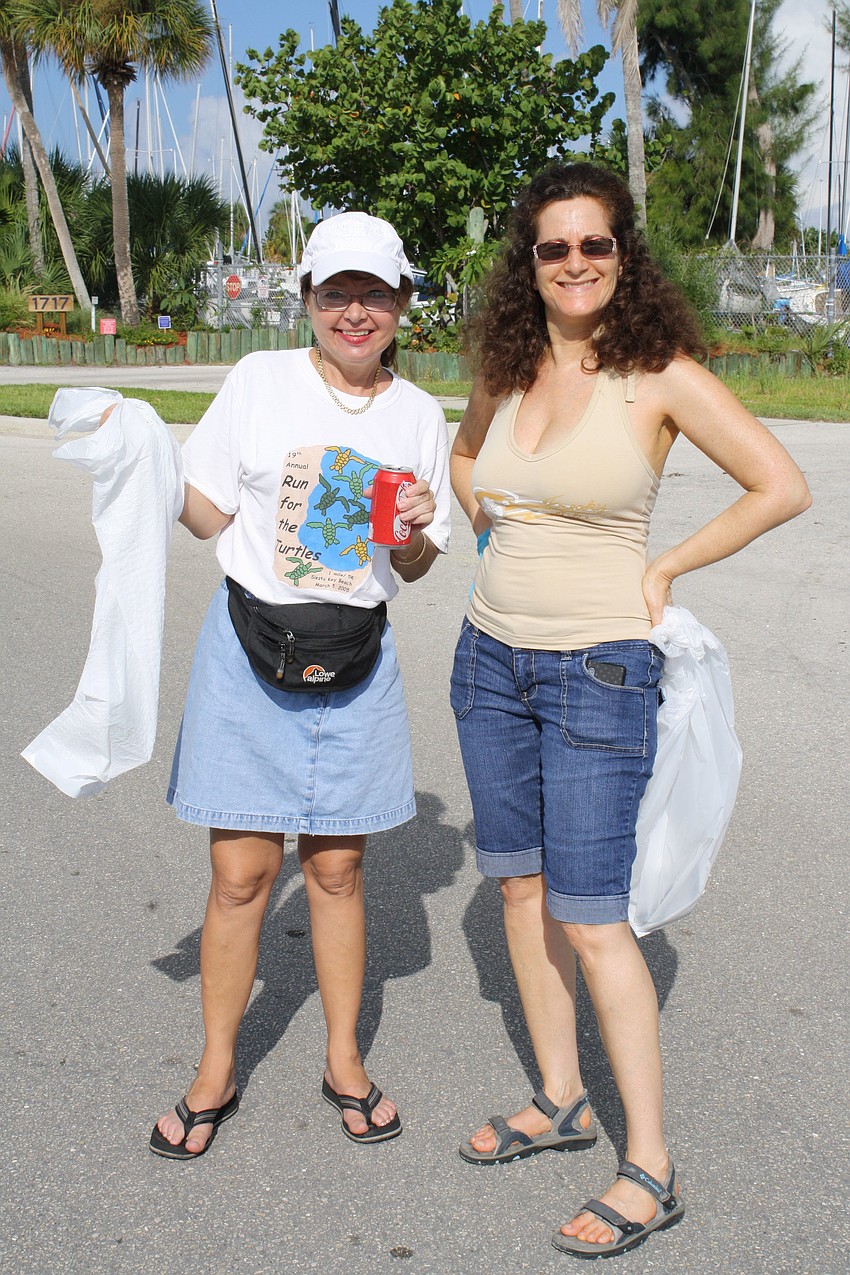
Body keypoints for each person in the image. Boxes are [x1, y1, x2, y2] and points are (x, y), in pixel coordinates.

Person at [449, 163, 810, 1258]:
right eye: (553, 248)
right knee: (519, 887)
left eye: (592, 245)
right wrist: (485, 526)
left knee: (593, 917)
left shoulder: (657, 374)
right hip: (486, 660)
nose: (573, 264)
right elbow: (465, 457)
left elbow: (779, 484)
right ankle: (559, 1099)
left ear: (622, 253)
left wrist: (663, 570)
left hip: (597, 670)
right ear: (529, 260)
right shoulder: (503, 364)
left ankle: (650, 1166)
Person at [146, 212, 450, 1158]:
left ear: (402, 301)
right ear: (308, 296)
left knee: (336, 867)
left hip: (355, 657)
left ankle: (342, 1058)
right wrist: (139, 462)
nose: (354, 313)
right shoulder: (258, 380)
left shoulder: (419, 414)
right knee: (241, 874)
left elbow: (417, 564)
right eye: (336, 293)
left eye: (375, 294)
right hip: (248, 648)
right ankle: (215, 1064)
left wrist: (411, 532)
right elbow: (205, 516)